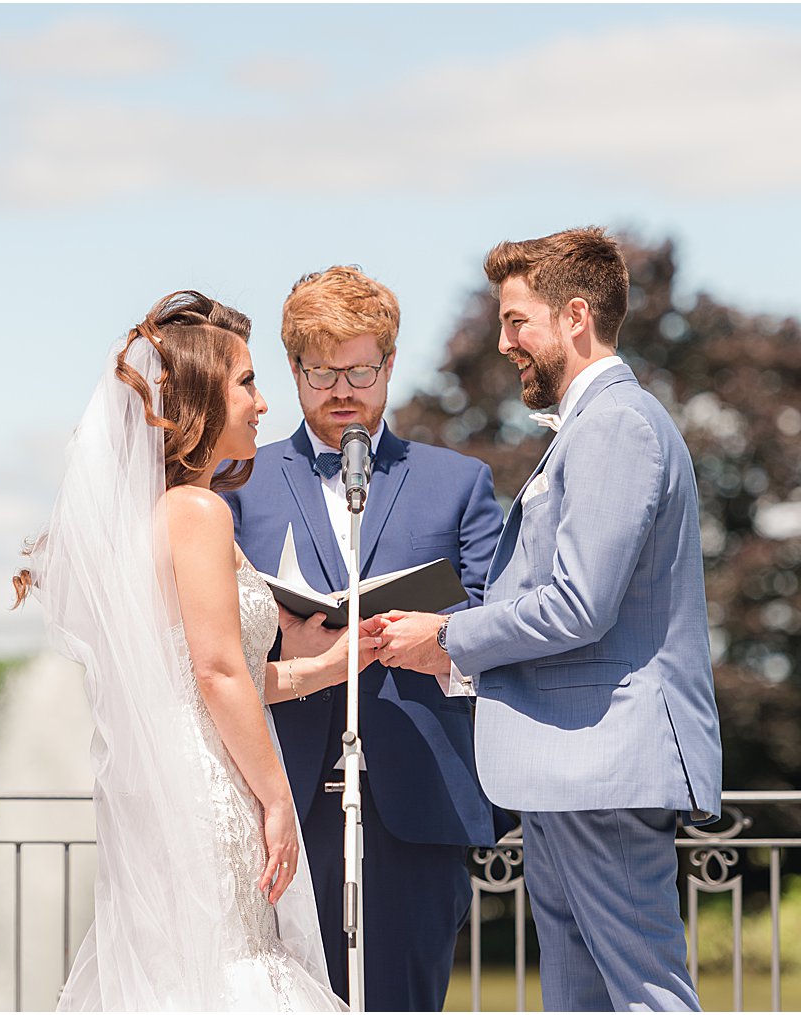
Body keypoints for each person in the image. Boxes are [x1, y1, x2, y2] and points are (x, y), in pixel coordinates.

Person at [372, 228, 723, 1012]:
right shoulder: (596, 426)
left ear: (574, 317)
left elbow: (578, 603)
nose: (504, 342)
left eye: (516, 320)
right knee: (580, 995)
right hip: (572, 764)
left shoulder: (616, 425)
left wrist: (451, 639)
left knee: (644, 991)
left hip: (602, 760)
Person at [15, 291, 366, 1011]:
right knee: (229, 962)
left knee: (182, 965)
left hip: (169, 770)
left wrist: (330, 662)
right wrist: (275, 797)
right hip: (209, 780)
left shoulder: (164, 514)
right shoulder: (198, 511)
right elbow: (215, 671)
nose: (262, 404)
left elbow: (206, 669)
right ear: (204, 396)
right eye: (246, 382)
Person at [223, 266, 506, 1011]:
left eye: (360, 369)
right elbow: (206, 635)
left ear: (389, 362)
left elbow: (498, 620)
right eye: (321, 371)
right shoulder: (236, 483)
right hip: (277, 797)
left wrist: (440, 639)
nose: (342, 388)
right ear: (293, 368)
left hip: (418, 796)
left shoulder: (460, 482)